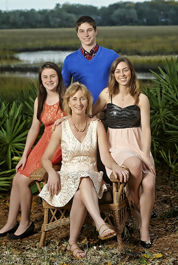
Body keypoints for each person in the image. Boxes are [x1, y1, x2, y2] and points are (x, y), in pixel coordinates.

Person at [39, 82, 129, 259]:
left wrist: (116, 166)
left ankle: (73, 243)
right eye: (74, 99)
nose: (78, 102)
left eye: (82, 99)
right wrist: (51, 172)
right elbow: (45, 158)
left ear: (88, 102)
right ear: (69, 102)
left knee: (85, 181)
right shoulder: (61, 128)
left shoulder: (96, 126)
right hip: (66, 178)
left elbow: (105, 157)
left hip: (91, 178)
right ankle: (100, 224)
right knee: (83, 181)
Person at [0, 62, 66, 240]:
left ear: (59, 77)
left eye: (52, 76)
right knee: (17, 176)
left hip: (59, 144)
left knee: (24, 181)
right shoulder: (39, 100)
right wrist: (25, 155)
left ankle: (26, 223)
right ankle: (11, 222)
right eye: (45, 77)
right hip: (43, 142)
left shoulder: (66, 97)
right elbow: (34, 128)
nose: (49, 80)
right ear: (41, 81)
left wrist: (65, 119)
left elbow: (80, 115)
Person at [92, 57, 156, 248]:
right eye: (117, 71)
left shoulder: (141, 98)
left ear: (131, 72)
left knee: (150, 182)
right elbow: (90, 113)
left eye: (125, 70)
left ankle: (144, 228)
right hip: (117, 146)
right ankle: (133, 200)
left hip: (138, 144)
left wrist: (146, 154)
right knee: (135, 165)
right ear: (113, 75)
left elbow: (146, 129)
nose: (122, 74)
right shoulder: (106, 94)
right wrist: (67, 120)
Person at [62, 16, 119, 103]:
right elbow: (64, 90)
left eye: (89, 30)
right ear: (77, 34)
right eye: (82, 31)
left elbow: (123, 83)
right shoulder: (69, 60)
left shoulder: (112, 56)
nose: (86, 35)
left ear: (95, 31)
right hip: (82, 111)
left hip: (108, 110)